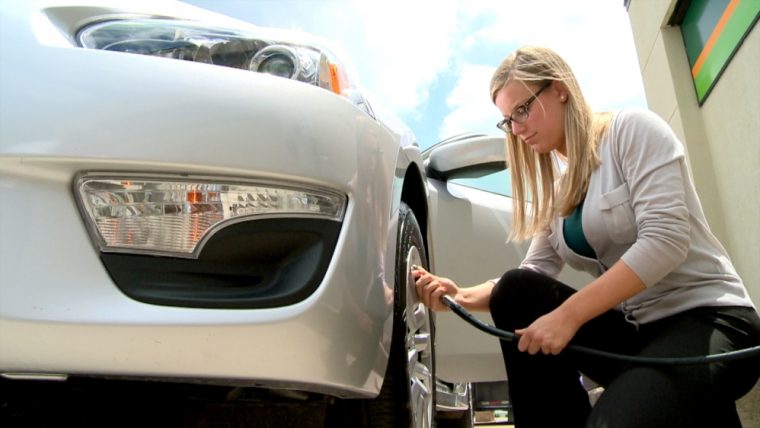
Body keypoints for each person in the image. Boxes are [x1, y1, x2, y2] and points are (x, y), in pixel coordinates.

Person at [413, 45, 760, 428]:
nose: (517, 128)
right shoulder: (559, 191)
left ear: (559, 89)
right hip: (638, 335)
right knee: (517, 290)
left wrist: (569, 316)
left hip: (712, 321)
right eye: (507, 120)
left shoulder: (632, 131)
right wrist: (457, 296)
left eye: (522, 110)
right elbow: (534, 273)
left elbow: (666, 239)